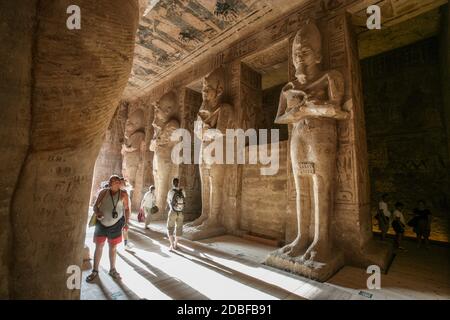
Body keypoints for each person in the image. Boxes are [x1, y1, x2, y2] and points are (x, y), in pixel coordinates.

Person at [86, 175, 130, 282]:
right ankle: (95, 270)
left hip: (115, 225)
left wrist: (126, 222)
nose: (115, 183)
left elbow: (127, 209)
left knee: (113, 248)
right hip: (101, 224)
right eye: (113, 181)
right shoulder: (104, 192)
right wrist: (98, 213)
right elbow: (95, 206)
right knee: (99, 246)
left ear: (120, 183)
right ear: (110, 183)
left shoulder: (123, 194)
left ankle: (112, 269)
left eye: (117, 181)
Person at [167, 178, 186, 251]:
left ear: (173, 183)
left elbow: (168, 201)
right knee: (179, 228)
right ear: (178, 183)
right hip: (180, 212)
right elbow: (184, 200)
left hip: (172, 211)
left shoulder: (170, 191)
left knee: (170, 228)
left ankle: (171, 245)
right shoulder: (182, 191)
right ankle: (175, 244)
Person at [120, 177, 133, 249]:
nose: (121, 184)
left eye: (122, 183)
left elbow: (127, 207)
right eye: (120, 183)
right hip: (119, 214)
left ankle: (125, 244)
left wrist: (127, 219)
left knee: (125, 230)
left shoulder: (125, 192)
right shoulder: (118, 192)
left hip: (124, 214)